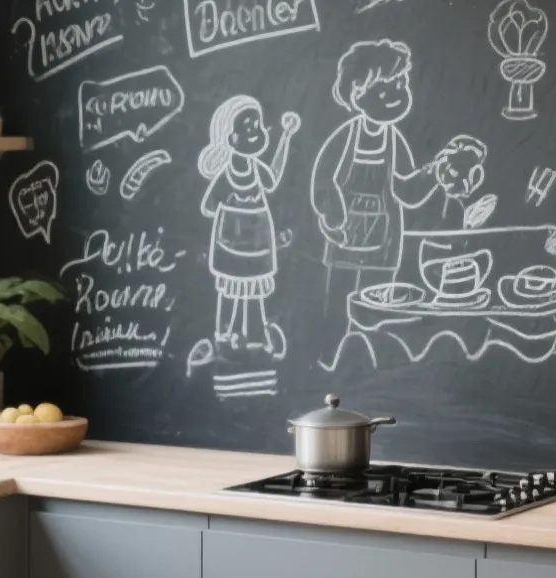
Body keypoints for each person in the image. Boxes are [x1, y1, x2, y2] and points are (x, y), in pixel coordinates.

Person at [310, 40, 442, 312]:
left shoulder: (395, 142)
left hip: (384, 246)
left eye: (401, 85)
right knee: (338, 305)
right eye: (385, 90)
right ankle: (331, 355)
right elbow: (323, 181)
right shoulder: (345, 137)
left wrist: (434, 175)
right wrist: (333, 214)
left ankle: (366, 352)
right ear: (358, 94)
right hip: (345, 239)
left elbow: (407, 191)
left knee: (376, 310)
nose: (397, 95)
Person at [189, 96, 300, 372]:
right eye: (248, 127)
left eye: (258, 125)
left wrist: (285, 137)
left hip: (258, 245)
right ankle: (224, 338)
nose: (257, 131)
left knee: (254, 292)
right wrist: (234, 211)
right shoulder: (227, 175)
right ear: (231, 138)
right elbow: (208, 206)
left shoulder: (256, 169)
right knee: (230, 291)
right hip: (232, 246)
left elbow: (273, 178)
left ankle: (257, 337)